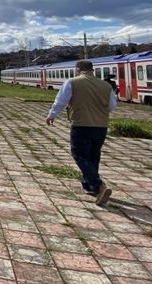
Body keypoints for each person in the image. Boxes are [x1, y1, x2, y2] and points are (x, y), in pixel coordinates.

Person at [46, 59, 118, 205]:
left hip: (81, 124)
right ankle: (89, 186)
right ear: (92, 70)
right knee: (93, 155)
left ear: (78, 69)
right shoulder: (106, 86)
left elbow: (61, 101)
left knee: (79, 155)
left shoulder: (72, 82)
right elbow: (112, 106)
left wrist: (52, 115)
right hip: (101, 126)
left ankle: (98, 186)